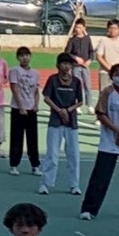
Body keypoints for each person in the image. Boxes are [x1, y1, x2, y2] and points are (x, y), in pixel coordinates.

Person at [80, 64, 119, 222]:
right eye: (117, 74)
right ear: (111, 77)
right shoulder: (107, 93)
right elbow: (101, 114)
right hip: (109, 143)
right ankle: (89, 209)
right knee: (100, 177)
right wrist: (117, 131)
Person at [39, 54, 82, 196]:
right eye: (63, 63)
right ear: (58, 65)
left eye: (69, 64)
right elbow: (46, 98)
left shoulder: (76, 81)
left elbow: (80, 101)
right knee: (52, 154)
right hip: (55, 121)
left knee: (73, 155)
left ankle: (74, 184)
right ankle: (45, 183)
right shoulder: (52, 79)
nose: (66, 66)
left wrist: (68, 110)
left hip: (71, 122)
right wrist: (59, 110)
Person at [8, 46, 41, 177]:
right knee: (17, 138)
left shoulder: (35, 73)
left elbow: (36, 91)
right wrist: (21, 106)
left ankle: (35, 165)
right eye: (22, 55)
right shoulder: (15, 71)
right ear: (18, 58)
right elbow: (14, 88)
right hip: (18, 110)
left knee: (32, 138)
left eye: (27, 55)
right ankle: (14, 164)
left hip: (31, 109)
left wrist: (36, 105)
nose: (25, 58)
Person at [64, 20, 93, 113]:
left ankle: (89, 105)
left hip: (85, 66)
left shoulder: (87, 39)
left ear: (84, 28)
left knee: (88, 86)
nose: (77, 29)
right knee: (77, 86)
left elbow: (91, 51)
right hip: (75, 66)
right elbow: (67, 53)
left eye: (80, 27)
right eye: (76, 27)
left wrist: (89, 60)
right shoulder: (72, 40)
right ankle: (77, 105)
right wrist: (75, 58)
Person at [93, 20, 119, 86]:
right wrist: (109, 68)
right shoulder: (103, 40)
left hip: (118, 74)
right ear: (107, 29)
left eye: (115, 28)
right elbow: (99, 56)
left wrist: (118, 68)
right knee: (105, 91)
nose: (112, 30)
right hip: (105, 72)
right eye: (110, 28)